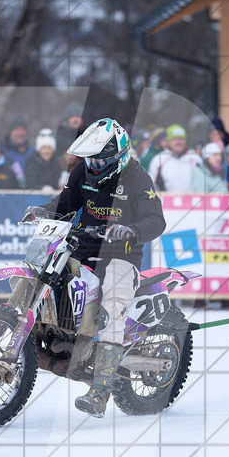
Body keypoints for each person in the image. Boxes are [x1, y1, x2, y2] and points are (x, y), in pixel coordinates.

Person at [22, 118, 166, 418]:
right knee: (43, 278)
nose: (95, 164)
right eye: (91, 158)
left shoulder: (138, 179)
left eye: (101, 158)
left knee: (112, 308)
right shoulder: (82, 171)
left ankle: (100, 391)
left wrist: (132, 230)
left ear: (120, 154)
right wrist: (43, 211)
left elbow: (156, 219)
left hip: (121, 257)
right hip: (82, 248)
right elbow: (65, 204)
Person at [147, 124, 198, 193]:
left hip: (192, 201)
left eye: (181, 139)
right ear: (168, 141)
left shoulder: (194, 158)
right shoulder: (159, 159)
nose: (178, 142)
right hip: (166, 202)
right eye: (175, 139)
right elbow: (150, 185)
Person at [2, 115, 34, 187]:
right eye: (16, 129)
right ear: (10, 132)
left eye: (23, 129)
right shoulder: (2, 153)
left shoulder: (33, 152)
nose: (20, 133)